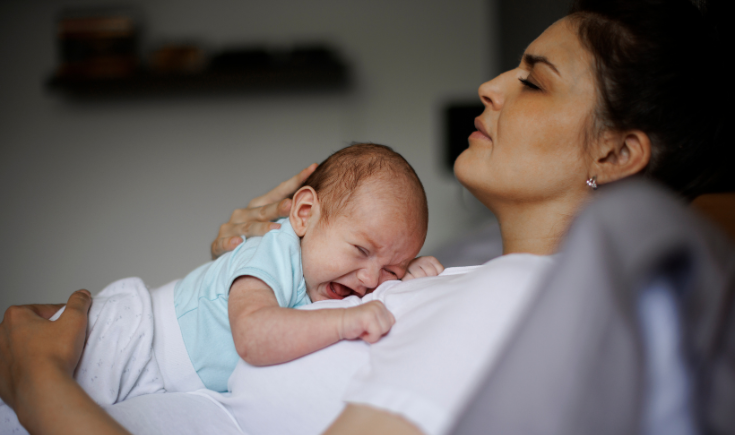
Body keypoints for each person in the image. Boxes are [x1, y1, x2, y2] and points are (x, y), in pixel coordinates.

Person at [0, 0, 728, 434]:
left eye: (533, 81)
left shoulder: (516, 303)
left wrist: (41, 387)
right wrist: (244, 271)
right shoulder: (473, 277)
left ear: (617, 150)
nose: (489, 86)